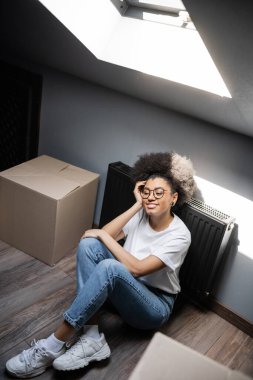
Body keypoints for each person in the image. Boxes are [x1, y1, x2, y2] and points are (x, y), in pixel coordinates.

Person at [6, 152, 196, 378]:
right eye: (146, 192)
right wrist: (137, 206)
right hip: (125, 289)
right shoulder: (142, 213)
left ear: (173, 198)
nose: (151, 198)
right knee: (88, 245)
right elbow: (98, 237)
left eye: (158, 193)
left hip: (153, 307)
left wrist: (104, 237)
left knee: (109, 266)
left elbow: (137, 268)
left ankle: (51, 346)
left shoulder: (180, 235)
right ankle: (92, 336)